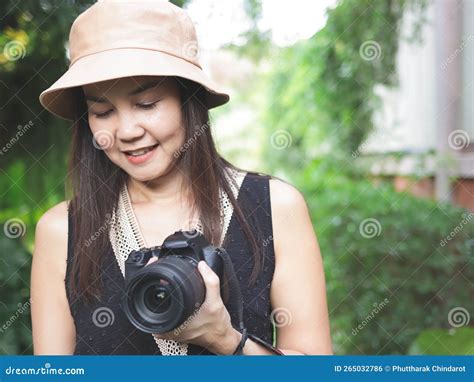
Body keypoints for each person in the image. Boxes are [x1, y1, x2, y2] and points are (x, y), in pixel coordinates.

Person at [30, 0, 332, 355]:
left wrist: (224, 338)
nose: (126, 130)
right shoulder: (62, 230)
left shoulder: (274, 207)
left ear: (188, 100)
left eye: (146, 104)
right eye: (102, 111)